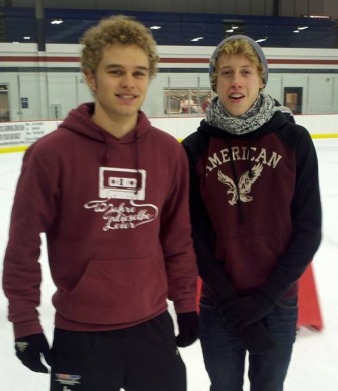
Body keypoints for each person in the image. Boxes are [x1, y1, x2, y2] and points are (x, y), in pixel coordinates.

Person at [2, 15, 199, 391]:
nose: (129, 83)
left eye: (139, 73)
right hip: (82, 333)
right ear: (91, 77)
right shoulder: (50, 155)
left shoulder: (167, 153)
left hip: (152, 326)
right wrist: (24, 321)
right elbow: (23, 244)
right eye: (115, 71)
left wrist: (186, 302)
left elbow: (178, 238)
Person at [182, 34, 322, 391]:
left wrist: (264, 299)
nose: (236, 81)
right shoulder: (194, 149)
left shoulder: (294, 141)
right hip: (220, 305)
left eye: (246, 71)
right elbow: (194, 236)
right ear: (215, 82)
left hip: (277, 304)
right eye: (226, 73)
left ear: (261, 79)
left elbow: (308, 230)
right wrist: (232, 303)